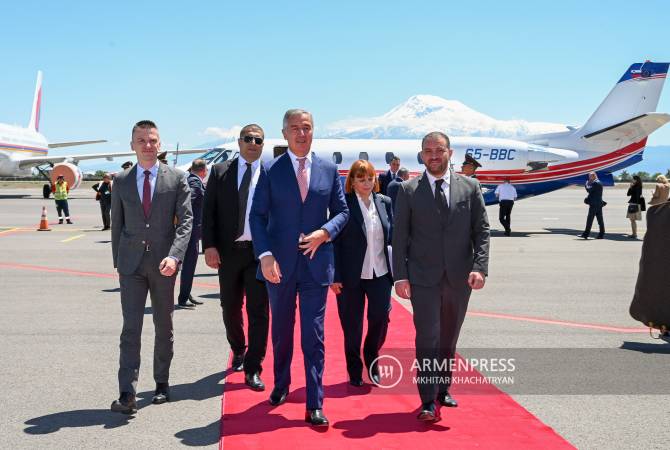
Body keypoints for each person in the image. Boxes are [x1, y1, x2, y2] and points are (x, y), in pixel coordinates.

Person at [249, 109, 349, 427]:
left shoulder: (329, 169)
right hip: (278, 267)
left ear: (313, 131)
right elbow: (257, 217)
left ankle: (314, 401)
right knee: (281, 332)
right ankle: (281, 384)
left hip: (316, 267)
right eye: (295, 128)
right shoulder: (269, 169)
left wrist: (326, 232)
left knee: (314, 336)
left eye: (306, 128)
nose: (301, 133)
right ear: (284, 133)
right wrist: (264, 254)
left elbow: (343, 211)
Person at [393, 131, 489, 422]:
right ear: (421, 155)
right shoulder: (408, 190)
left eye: (439, 150)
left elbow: (481, 232)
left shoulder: (471, 187)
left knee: (448, 338)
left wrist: (480, 267)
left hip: (460, 279)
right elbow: (400, 237)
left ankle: (443, 388)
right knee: (428, 338)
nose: (433, 155)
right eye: (427, 151)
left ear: (450, 153)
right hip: (422, 278)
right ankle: (427, 399)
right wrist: (400, 277)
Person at [110, 120, 192, 415]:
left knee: (163, 325)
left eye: (152, 140)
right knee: (130, 329)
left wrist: (175, 256)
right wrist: (118, 263)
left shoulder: (177, 179)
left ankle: (161, 383)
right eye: (141, 140)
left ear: (160, 144)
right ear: (132, 145)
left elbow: (185, 222)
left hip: (163, 264)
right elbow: (116, 225)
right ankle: (127, 392)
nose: (147, 145)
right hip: (130, 266)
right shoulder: (120, 181)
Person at [202, 124, 270, 392]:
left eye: (258, 140)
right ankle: (238, 349)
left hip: (259, 254)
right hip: (228, 253)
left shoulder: (270, 173)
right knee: (229, 307)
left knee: (259, 312)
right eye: (248, 138)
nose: (253, 143)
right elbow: (208, 213)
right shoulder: (220, 172)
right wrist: (209, 246)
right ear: (239, 142)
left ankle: (254, 367)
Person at [331, 160, 393, 387]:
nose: (367, 183)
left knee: (380, 319)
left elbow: (392, 237)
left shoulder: (385, 202)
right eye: (361, 179)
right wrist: (335, 276)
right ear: (352, 182)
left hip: (381, 274)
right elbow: (334, 244)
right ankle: (354, 369)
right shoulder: (343, 205)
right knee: (352, 326)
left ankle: (372, 356)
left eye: (370, 178)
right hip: (350, 277)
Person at [177, 159, 207, 309]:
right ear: (203, 170)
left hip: (190, 229)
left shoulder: (190, 179)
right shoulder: (195, 182)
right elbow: (188, 203)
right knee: (189, 264)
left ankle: (186, 293)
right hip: (191, 230)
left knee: (189, 264)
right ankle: (183, 299)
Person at [580, 171, 605, 239]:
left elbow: (589, 190)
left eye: (590, 176)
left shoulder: (595, 183)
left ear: (593, 176)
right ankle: (601, 234)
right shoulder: (599, 182)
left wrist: (586, 184)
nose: (589, 178)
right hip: (599, 203)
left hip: (594, 204)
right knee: (600, 220)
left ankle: (586, 234)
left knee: (590, 220)